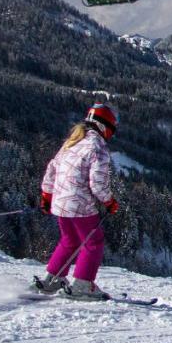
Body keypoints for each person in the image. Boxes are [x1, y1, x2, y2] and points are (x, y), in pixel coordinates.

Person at [33, 103, 120, 300]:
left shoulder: (72, 142)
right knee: (93, 241)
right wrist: (108, 201)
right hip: (80, 203)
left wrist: (47, 196)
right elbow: (97, 183)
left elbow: (51, 170)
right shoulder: (98, 147)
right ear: (105, 126)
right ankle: (83, 283)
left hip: (59, 202)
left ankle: (51, 279)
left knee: (69, 240)